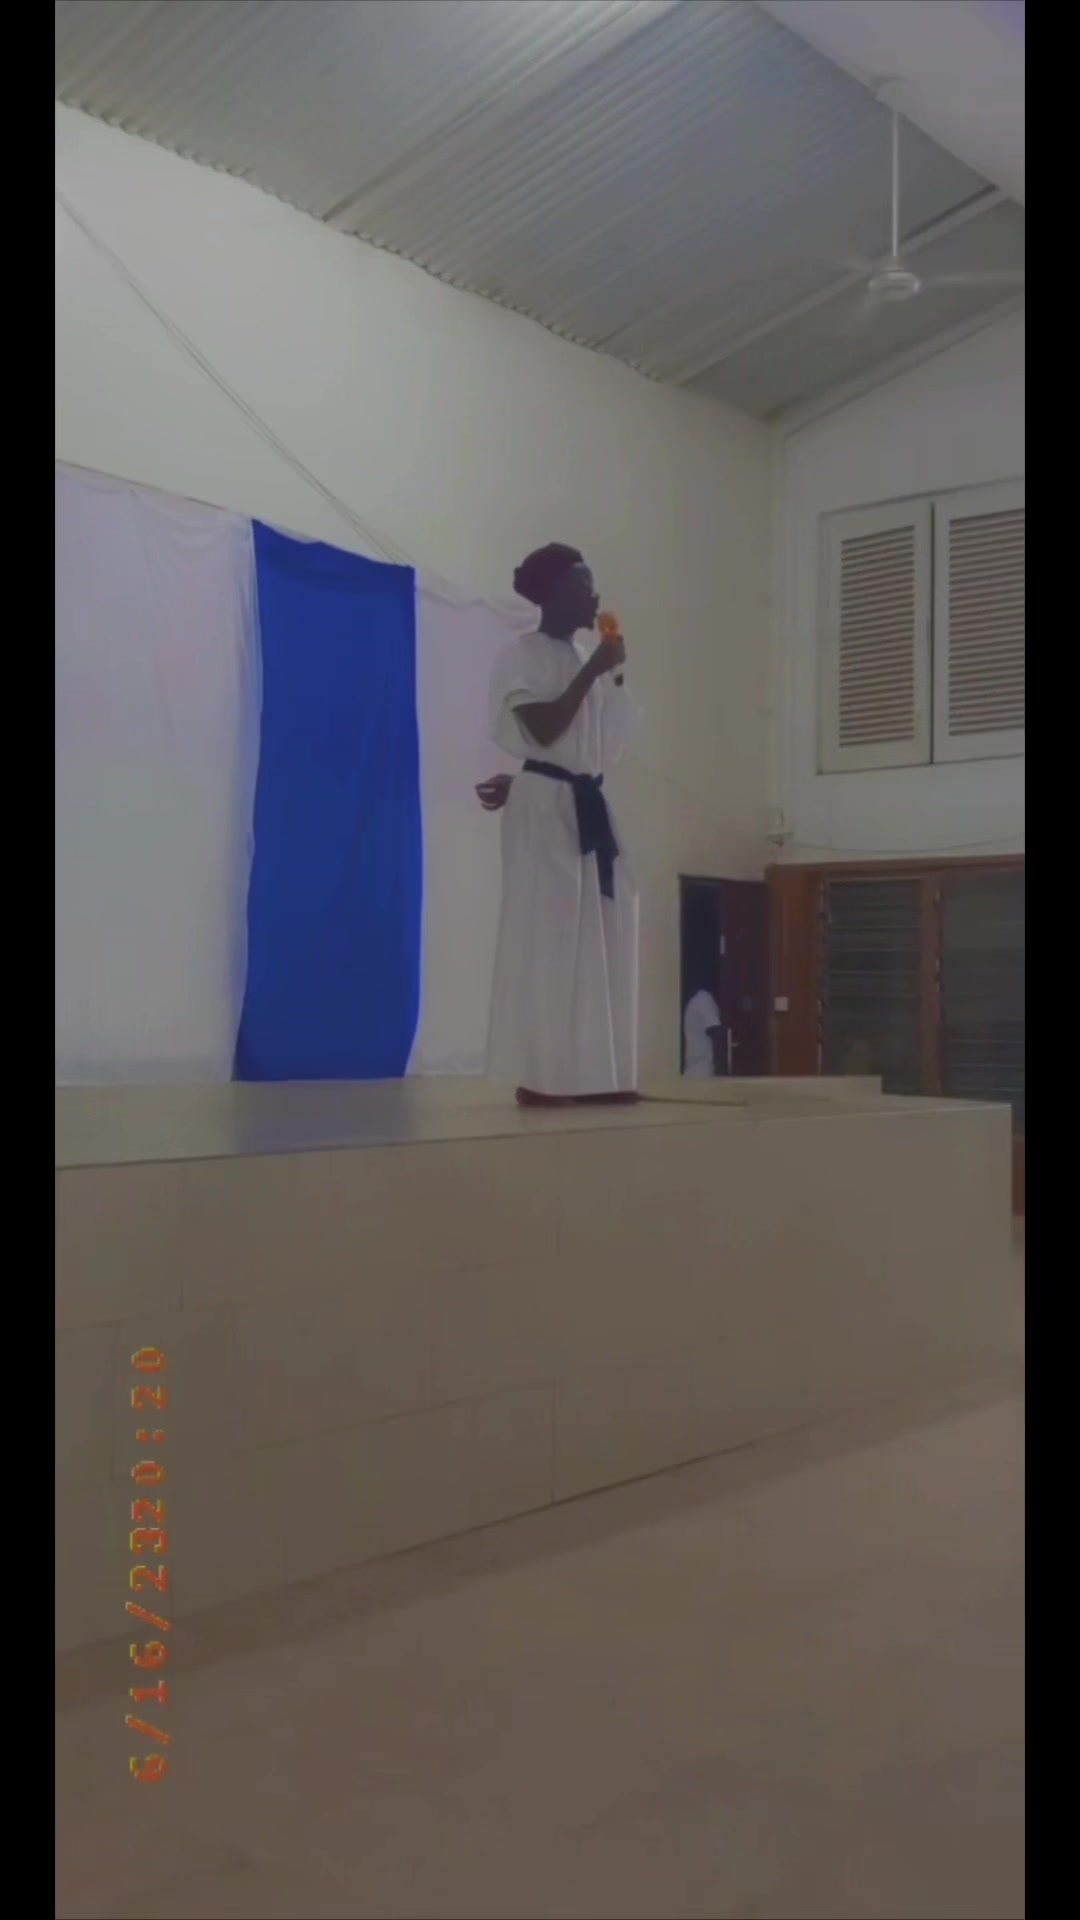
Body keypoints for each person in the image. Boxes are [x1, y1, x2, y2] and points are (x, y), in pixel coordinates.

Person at [476, 543, 640, 1106]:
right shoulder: (519, 655)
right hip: (546, 810)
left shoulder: (584, 656)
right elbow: (544, 731)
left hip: (582, 800)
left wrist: (613, 676)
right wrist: (593, 669)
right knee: (551, 937)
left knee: (604, 932)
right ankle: (542, 1075)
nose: (595, 595)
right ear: (551, 593)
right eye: (583, 584)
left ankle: (597, 1073)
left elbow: (603, 747)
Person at [683, 981, 724, 1078]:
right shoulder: (699, 999)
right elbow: (715, 1031)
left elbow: (715, 1031)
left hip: (698, 1069)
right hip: (698, 1070)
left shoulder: (699, 999)